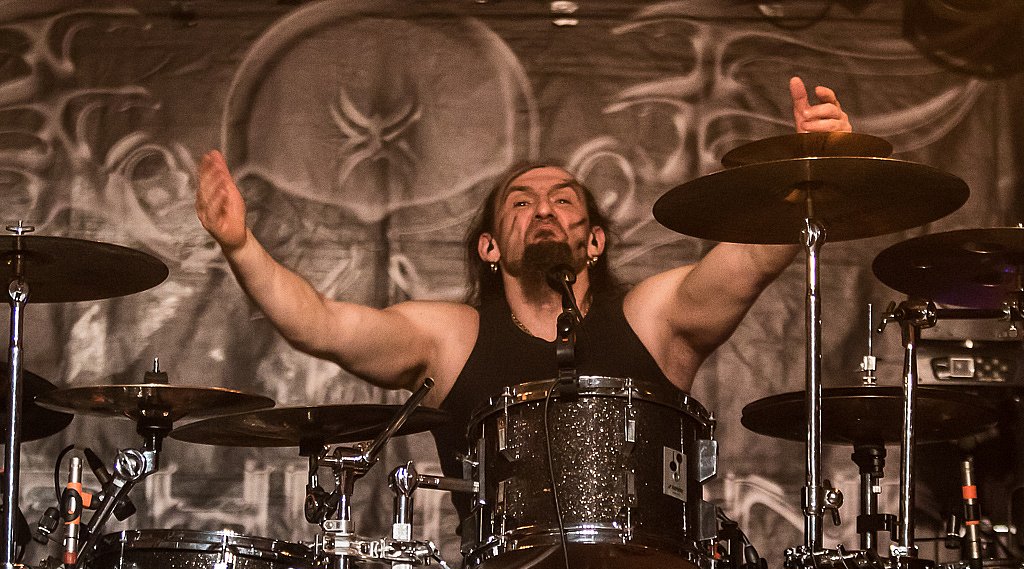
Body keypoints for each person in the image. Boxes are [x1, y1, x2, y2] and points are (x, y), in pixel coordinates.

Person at [195, 75, 851, 515]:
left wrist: (814, 169)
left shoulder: (653, 318)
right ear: (489, 247)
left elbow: (751, 258)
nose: (543, 210)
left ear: (594, 241)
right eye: (520, 202)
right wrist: (241, 245)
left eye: (563, 201)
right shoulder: (449, 339)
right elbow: (321, 325)